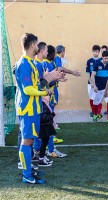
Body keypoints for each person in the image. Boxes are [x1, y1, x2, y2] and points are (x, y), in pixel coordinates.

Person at [15, 33, 55, 184]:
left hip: (34, 108)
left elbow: (35, 86)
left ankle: (30, 170)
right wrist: (44, 92)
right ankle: (26, 175)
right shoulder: (24, 64)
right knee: (27, 141)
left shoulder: (31, 63)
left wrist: (47, 83)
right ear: (32, 45)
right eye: (37, 44)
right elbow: (28, 90)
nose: (38, 47)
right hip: (27, 109)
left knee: (30, 141)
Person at [90, 51, 108, 124]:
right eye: (105, 58)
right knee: (96, 102)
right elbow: (92, 76)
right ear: (102, 57)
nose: (106, 60)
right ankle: (95, 115)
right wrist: (94, 86)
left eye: (107, 58)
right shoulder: (97, 64)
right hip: (99, 87)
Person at [38, 95, 56, 167]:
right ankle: (41, 159)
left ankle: (42, 157)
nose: (49, 97)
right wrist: (53, 114)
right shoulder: (42, 105)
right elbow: (43, 118)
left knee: (45, 143)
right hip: (45, 127)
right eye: (47, 95)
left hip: (46, 127)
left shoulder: (45, 104)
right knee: (44, 143)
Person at [86, 45, 101, 116]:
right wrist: (92, 83)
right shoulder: (89, 61)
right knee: (91, 98)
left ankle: (98, 112)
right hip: (90, 83)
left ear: (99, 52)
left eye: (97, 51)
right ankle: (93, 111)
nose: (96, 53)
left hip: (99, 83)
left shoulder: (101, 61)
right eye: (94, 51)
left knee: (98, 98)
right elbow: (88, 73)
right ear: (92, 52)